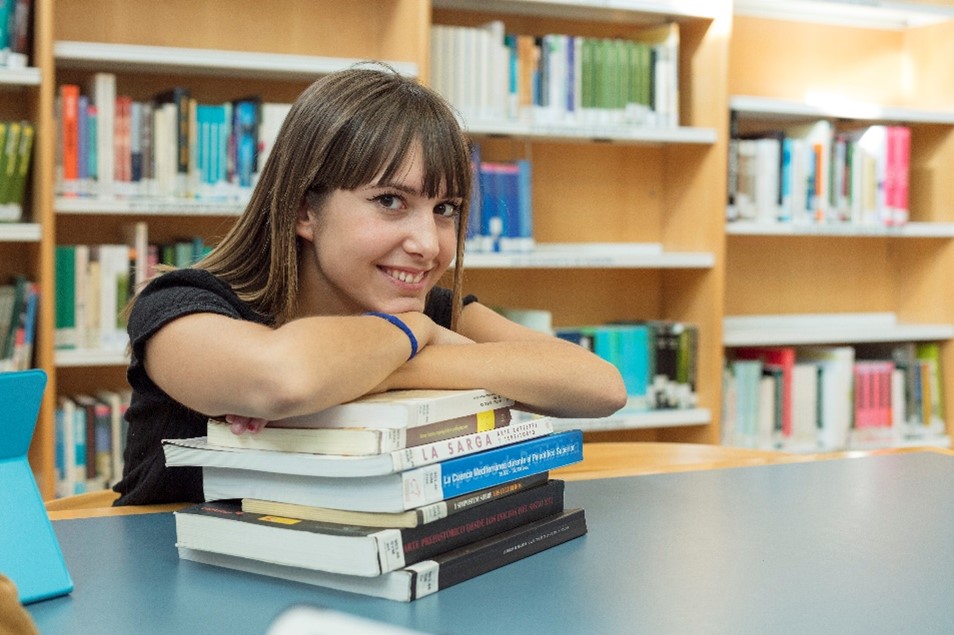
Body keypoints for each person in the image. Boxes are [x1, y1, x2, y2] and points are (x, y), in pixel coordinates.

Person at [113, 65, 627, 506]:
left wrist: (393, 357)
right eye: (390, 201)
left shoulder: (427, 309)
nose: (428, 244)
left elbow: (600, 386)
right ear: (303, 209)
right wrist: (413, 333)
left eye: (445, 209)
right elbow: (283, 380)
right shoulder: (181, 307)